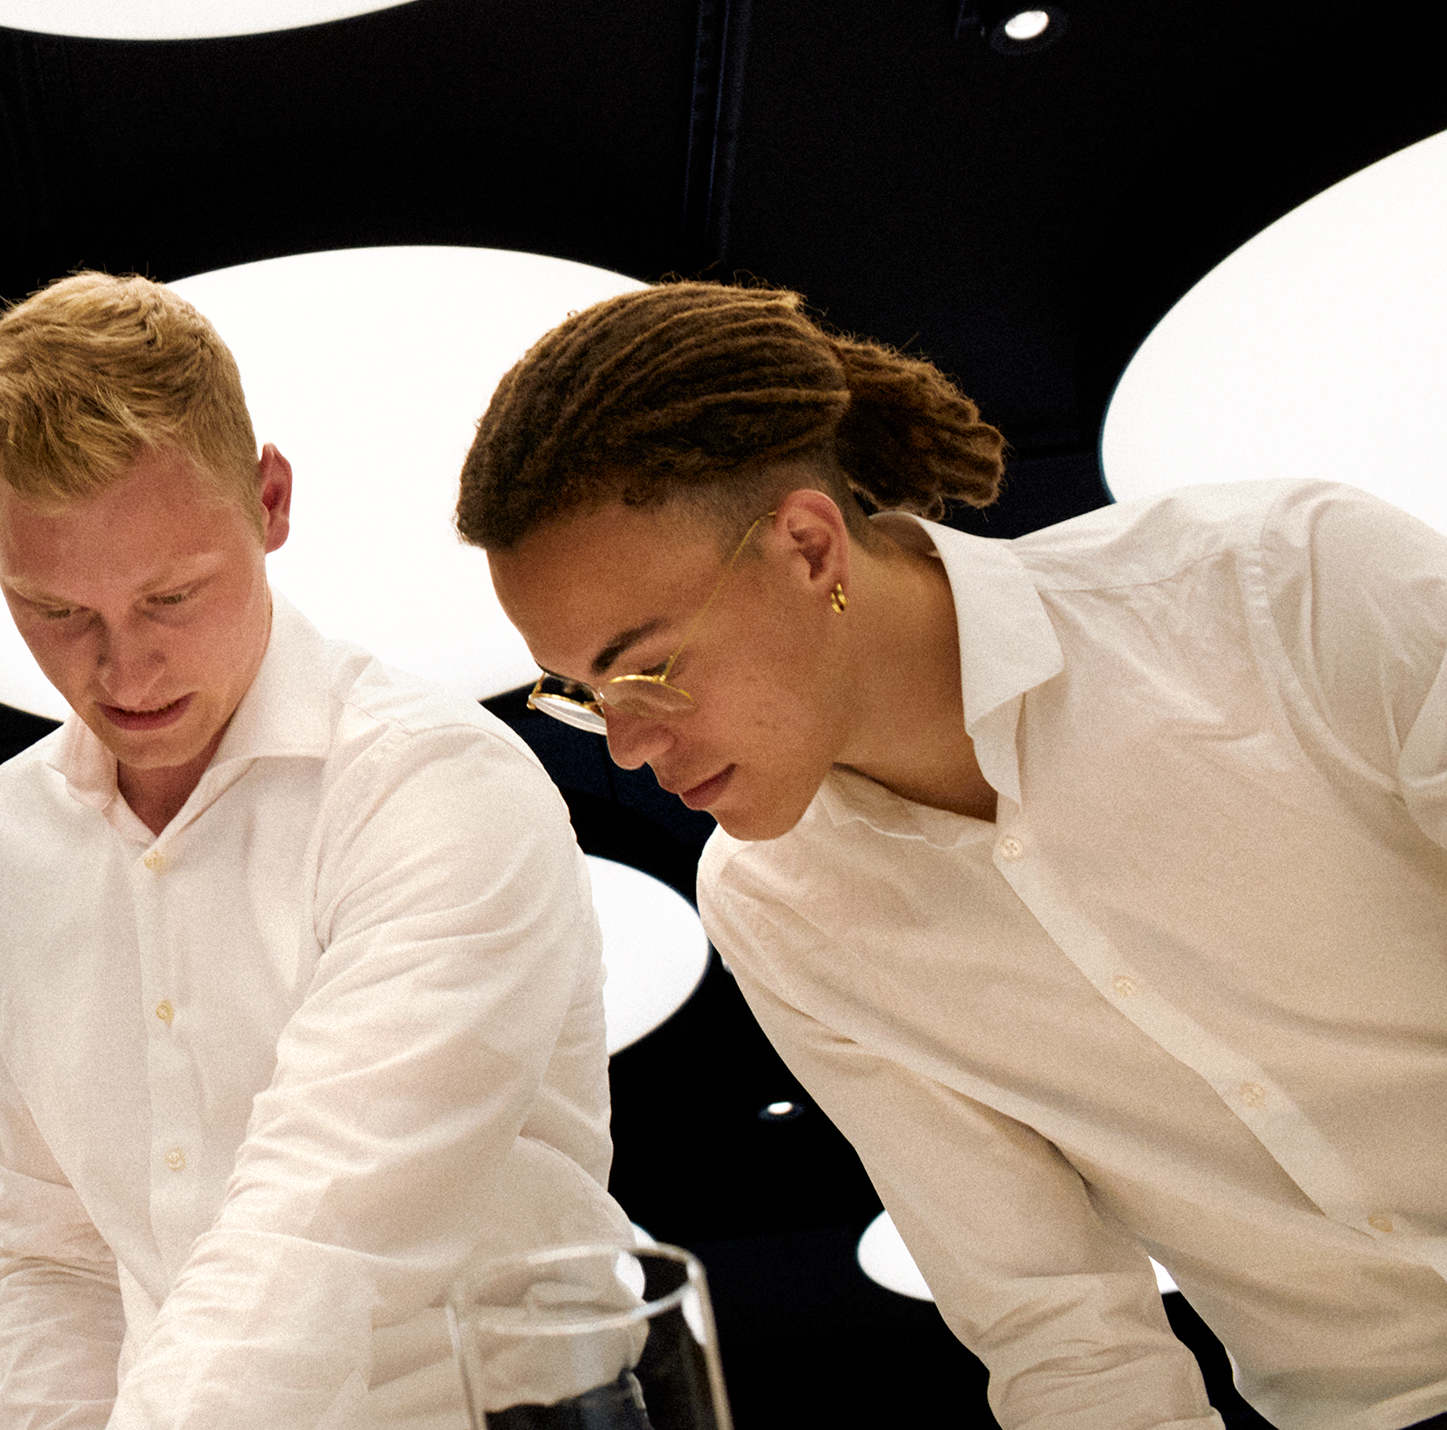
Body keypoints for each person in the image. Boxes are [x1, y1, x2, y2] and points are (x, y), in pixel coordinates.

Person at [461, 278, 1447, 1429]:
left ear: (807, 545)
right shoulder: (779, 907)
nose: (627, 744)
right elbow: (1065, 1336)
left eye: (647, 667)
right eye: (584, 694)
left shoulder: (1287, 583)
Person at [0, 272, 630, 1430]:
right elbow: (57, 1254)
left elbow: (319, 1230)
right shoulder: (4, 840)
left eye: (171, 594)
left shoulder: (434, 781)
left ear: (270, 501)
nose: (122, 668)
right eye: (57, 611)